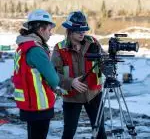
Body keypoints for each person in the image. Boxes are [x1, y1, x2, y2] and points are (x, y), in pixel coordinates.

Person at [51, 11, 107, 139]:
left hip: (94, 94)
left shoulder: (93, 43)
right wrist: (71, 82)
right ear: (69, 31)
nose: (82, 33)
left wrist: (108, 63)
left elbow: (104, 63)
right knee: (69, 132)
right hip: (71, 97)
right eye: (78, 31)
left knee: (100, 131)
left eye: (84, 30)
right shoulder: (59, 49)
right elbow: (53, 73)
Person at [13, 9, 60, 139]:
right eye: (49, 30)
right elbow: (54, 80)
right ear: (41, 29)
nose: (51, 34)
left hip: (29, 103)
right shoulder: (36, 50)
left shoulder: (23, 46)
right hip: (40, 105)